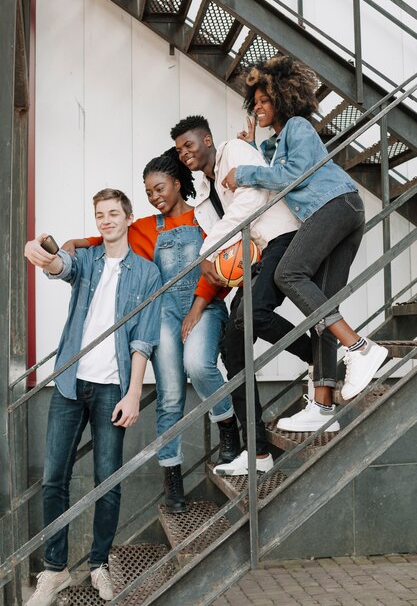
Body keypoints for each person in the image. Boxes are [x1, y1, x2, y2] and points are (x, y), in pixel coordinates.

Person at [63, 150, 239, 514]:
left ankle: (227, 426)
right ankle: (172, 478)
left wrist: (197, 307)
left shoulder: (205, 217)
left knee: (198, 364)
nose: (155, 196)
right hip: (163, 312)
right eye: (148, 191)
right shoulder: (145, 227)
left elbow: (220, 267)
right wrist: (77, 244)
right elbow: (110, 240)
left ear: (177, 183)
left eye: (160, 188)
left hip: (203, 305)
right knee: (170, 395)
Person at [221, 54, 388, 433]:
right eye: (256, 102)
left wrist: (243, 170)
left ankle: (361, 348)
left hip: (335, 206)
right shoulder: (281, 141)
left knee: (289, 273)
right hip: (338, 211)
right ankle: (324, 405)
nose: (260, 107)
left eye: (266, 101)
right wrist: (253, 147)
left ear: (284, 97)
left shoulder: (298, 125)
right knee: (323, 307)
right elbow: (280, 163)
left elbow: (292, 174)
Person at [24, 189, 161, 605]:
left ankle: (99, 564)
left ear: (129, 217)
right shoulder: (85, 260)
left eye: (114, 213)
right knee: (53, 480)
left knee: (108, 481)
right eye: (100, 214)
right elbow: (60, 265)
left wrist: (135, 392)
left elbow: (143, 340)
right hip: (69, 384)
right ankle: (55, 570)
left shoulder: (147, 274)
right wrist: (45, 255)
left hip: (112, 391)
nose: (106, 220)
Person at [171, 116, 313, 476]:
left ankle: (322, 359)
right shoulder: (204, 193)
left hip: (282, 238)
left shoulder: (233, 150)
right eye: (179, 149)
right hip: (257, 259)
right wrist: (219, 264)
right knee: (233, 352)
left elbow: (252, 197)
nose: (184, 152)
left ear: (207, 139)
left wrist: (208, 248)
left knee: (252, 314)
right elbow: (228, 242)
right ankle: (258, 453)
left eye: (189, 144)